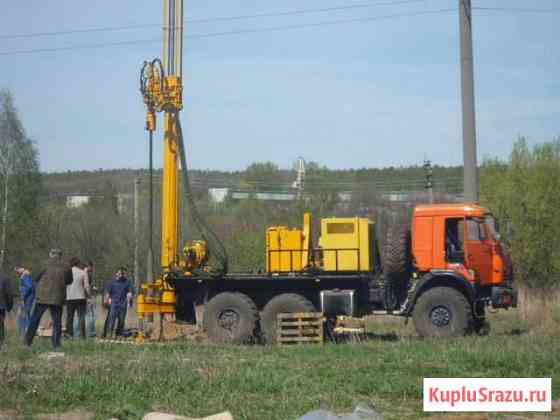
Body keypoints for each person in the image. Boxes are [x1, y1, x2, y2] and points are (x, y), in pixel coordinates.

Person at [25, 248, 73, 349]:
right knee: (57, 322)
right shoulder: (67, 266)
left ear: (51, 254)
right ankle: (56, 345)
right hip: (58, 297)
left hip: (42, 296)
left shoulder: (44, 263)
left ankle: (27, 343)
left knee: (35, 319)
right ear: (61, 255)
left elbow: (36, 277)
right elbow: (69, 281)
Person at [65, 257, 90, 339]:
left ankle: (69, 335)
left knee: (69, 318)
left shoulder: (66, 272)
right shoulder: (83, 272)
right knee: (81, 317)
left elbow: (64, 285)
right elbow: (86, 286)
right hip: (81, 297)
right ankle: (82, 335)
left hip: (70, 298)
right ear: (78, 263)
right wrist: (89, 295)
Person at [104, 267, 133, 338]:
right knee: (111, 320)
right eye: (120, 273)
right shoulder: (111, 282)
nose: (121, 275)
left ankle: (119, 334)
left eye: (123, 274)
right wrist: (106, 301)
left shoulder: (127, 282)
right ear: (116, 273)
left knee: (121, 321)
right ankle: (109, 334)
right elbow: (107, 293)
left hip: (123, 304)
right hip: (113, 304)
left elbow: (129, 293)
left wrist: (129, 301)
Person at [15, 266, 35, 335]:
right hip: (27, 298)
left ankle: (24, 332)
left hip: (27, 299)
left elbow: (29, 287)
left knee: (23, 315)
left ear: (21, 268)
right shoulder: (25, 275)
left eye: (17, 270)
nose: (16, 273)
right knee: (25, 314)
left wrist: (23, 298)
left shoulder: (25, 276)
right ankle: (26, 331)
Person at [0, 272, 15, 348]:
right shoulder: (4, 278)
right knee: (1, 325)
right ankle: (1, 342)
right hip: (1, 306)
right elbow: (9, 294)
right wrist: (9, 307)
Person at [84, 261, 97, 337]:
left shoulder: (87, 274)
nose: (92, 269)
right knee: (90, 315)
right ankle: (91, 333)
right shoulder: (86, 274)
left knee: (85, 315)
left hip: (85, 297)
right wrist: (89, 297)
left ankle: (89, 332)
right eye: (91, 267)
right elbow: (86, 286)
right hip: (87, 298)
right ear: (89, 266)